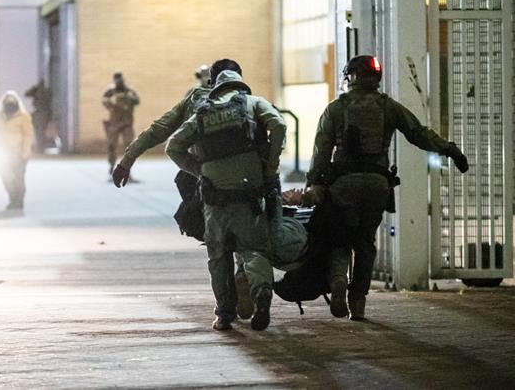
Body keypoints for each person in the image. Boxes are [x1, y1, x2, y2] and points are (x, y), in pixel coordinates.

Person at [307, 55, 469, 321]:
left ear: (352, 77)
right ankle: (358, 303)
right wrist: (450, 150)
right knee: (365, 243)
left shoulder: (336, 108)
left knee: (340, 238)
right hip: (377, 185)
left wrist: (313, 184)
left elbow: (321, 151)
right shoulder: (388, 106)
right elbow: (418, 134)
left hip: (343, 185)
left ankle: (338, 280)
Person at [166, 67, 287, 331]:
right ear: (241, 86)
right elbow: (279, 125)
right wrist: (270, 167)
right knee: (255, 248)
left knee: (218, 254)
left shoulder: (203, 112)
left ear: (217, 89)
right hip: (249, 193)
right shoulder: (252, 102)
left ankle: (224, 314)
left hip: (215, 196)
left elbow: (172, 146)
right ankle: (261, 291)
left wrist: (200, 170)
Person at [111, 63, 217, 187]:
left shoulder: (194, 96)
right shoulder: (238, 98)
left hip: (205, 167)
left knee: (186, 180)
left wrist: (125, 163)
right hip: (235, 171)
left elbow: (159, 131)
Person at [0, 91, 34, 210]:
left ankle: (18, 201)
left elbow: (28, 135)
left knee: (18, 178)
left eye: (12, 101)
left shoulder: (23, 116)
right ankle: (12, 197)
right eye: (7, 101)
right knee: (5, 176)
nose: (9, 103)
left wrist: (25, 152)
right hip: (3, 153)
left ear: (17, 102)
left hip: (18, 152)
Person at [102, 72, 140, 176]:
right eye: (117, 80)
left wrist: (130, 97)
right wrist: (109, 102)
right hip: (114, 123)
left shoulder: (129, 90)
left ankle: (126, 168)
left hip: (127, 123)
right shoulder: (111, 91)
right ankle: (111, 164)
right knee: (111, 145)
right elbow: (104, 100)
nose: (119, 82)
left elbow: (137, 100)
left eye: (120, 80)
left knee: (129, 146)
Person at [24, 80, 52, 153]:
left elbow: (27, 94)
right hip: (45, 113)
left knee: (39, 132)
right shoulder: (47, 91)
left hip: (40, 113)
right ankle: (41, 148)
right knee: (41, 132)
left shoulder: (37, 90)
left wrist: (35, 88)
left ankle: (40, 148)